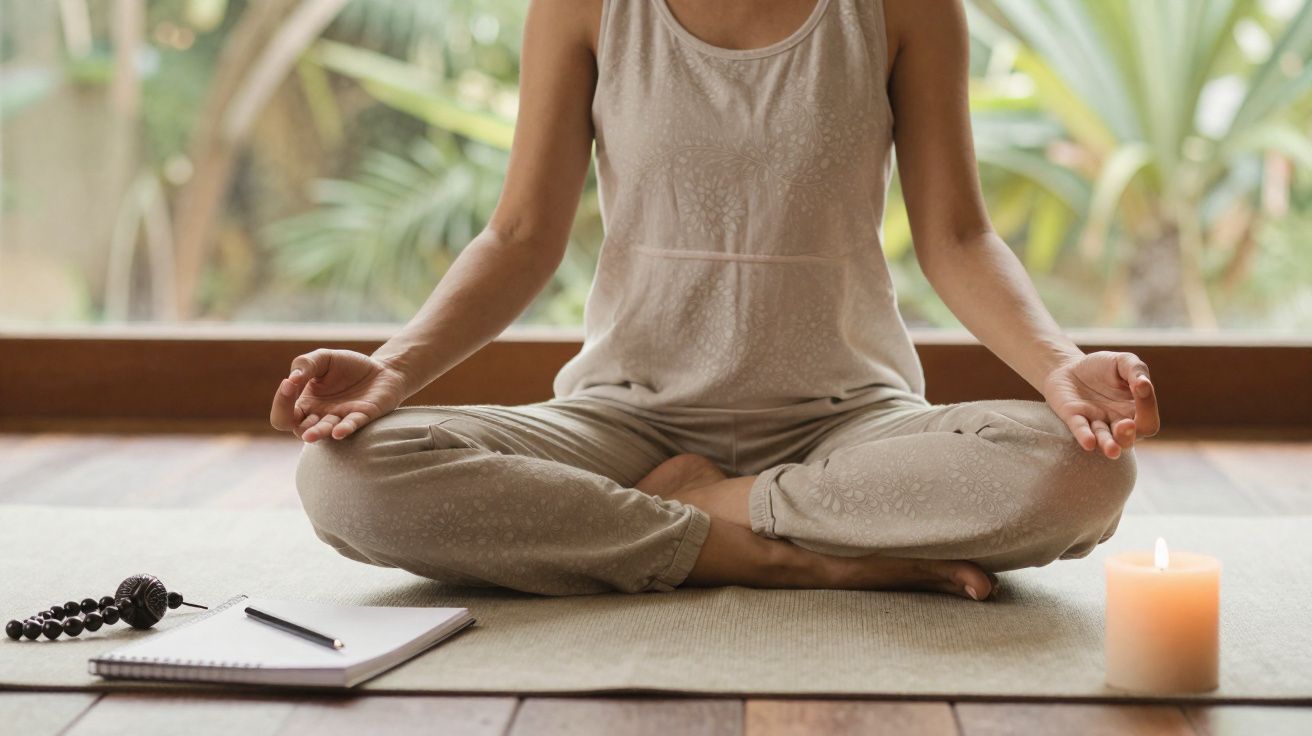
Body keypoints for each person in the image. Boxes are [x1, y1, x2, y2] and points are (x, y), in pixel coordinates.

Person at [270, 0, 1160, 601]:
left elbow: (958, 237)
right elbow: (519, 237)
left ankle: (700, 515)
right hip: (627, 419)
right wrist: (391, 371)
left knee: (1085, 473)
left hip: (846, 420)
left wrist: (1060, 368)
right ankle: (790, 552)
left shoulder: (905, 8)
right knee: (347, 479)